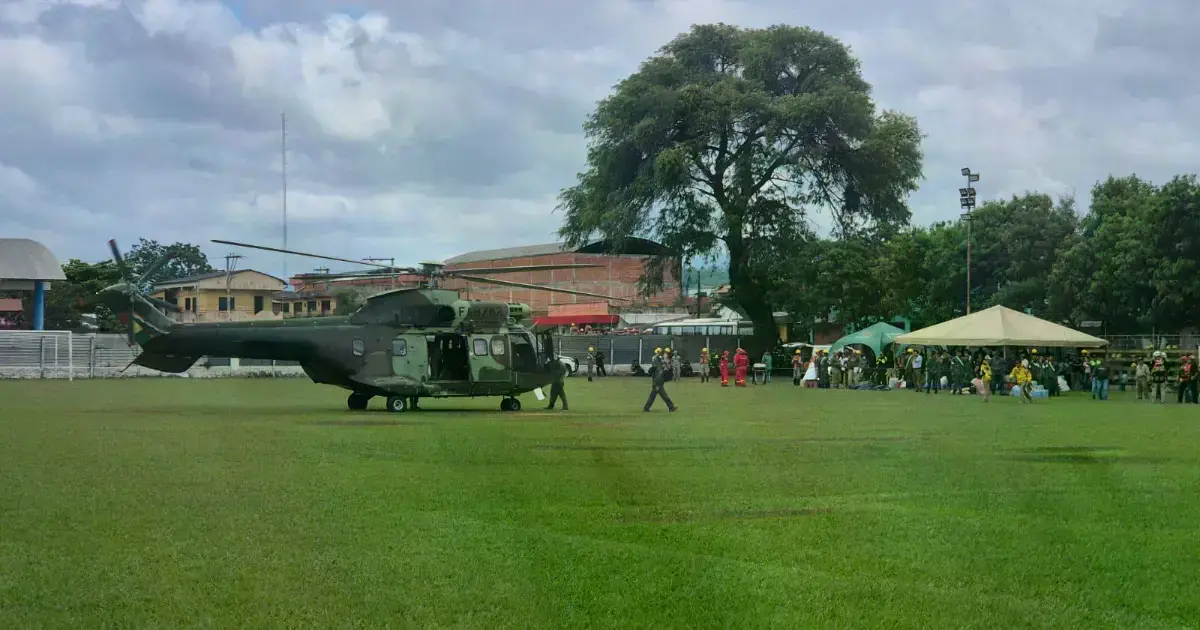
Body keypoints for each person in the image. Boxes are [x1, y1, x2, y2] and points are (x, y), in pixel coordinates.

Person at [644, 347, 677, 412]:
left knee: (652, 396)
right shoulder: (659, 366)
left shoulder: (658, 362)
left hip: (657, 382)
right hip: (658, 383)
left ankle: (646, 407)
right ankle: (671, 407)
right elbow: (659, 376)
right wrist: (656, 384)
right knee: (664, 395)